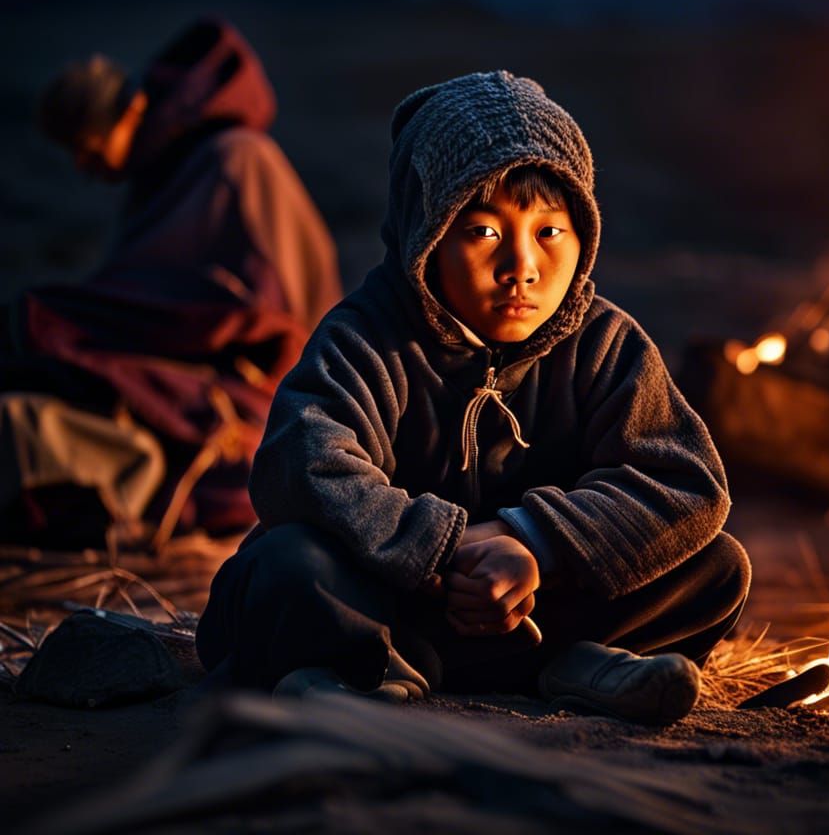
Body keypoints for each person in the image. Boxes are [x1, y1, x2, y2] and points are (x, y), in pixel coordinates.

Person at [196, 70, 749, 724]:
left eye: (550, 231)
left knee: (716, 566)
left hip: (541, 613)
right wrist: (444, 548)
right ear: (423, 236)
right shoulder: (368, 335)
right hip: (390, 608)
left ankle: (583, 662)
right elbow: (303, 460)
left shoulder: (605, 342)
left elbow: (686, 481)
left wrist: (532, 541)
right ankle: (369, 670)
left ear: (584, 236)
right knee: (284, 566)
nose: (522, 265)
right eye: (483, 232)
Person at [0, 19, 341, 544]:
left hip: (270, 391)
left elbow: (264, 317)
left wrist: (92, 323)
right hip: (204, 366)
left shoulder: (237, 162)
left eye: (89, 148)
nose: (84, 167)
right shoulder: (162, 178)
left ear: (133, 110)